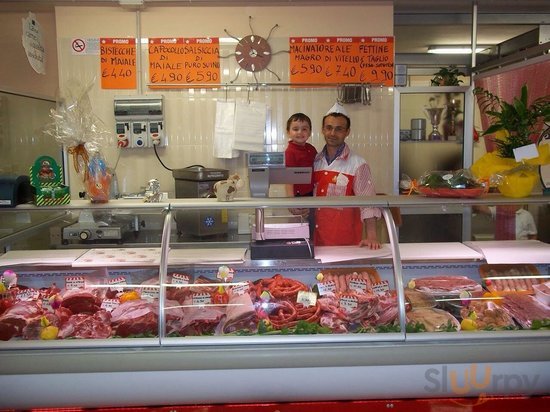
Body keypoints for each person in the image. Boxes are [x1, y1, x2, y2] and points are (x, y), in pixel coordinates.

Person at [313, 111, 382, 249]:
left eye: (339, 129)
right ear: (322, 129)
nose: (332, 133)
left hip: (344, 243)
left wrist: (372, 237)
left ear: (347, 132)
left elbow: (368, 203)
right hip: (314, 240)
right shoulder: (314, 161)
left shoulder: (358, 164)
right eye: (329, 127)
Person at [284, 113, 317, 236]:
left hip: (312, 195)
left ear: (309, 132)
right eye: (295, 129)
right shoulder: (290, 152)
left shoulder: (311, 149)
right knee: (303, 228)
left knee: (313, 226)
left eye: (304, 129)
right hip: (299, 197)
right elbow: (288, 179)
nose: (300, 132)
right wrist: (291, 202)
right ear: (288, 132)